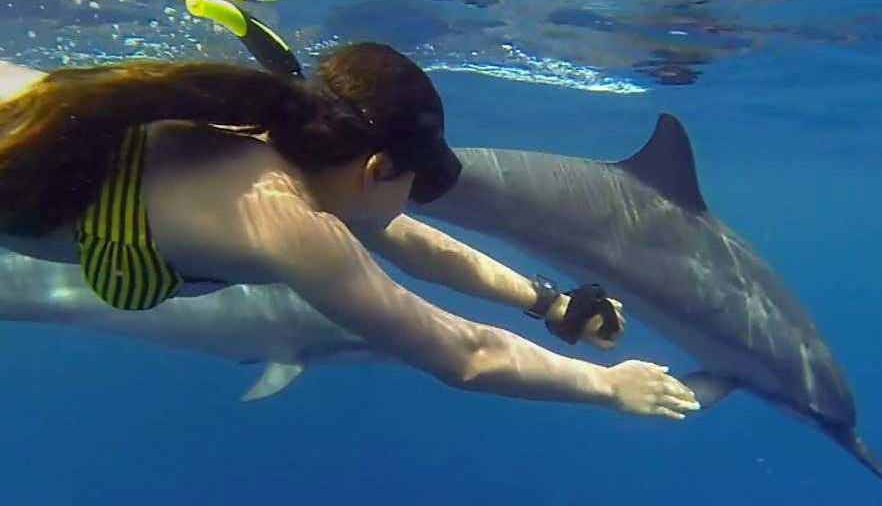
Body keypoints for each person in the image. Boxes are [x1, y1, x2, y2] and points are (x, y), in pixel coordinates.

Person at [0, 40, 699, 419]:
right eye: (415, 185)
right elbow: (468, 355)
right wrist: (607, 387)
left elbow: (408, 241)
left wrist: (548, 302)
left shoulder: (281, 132)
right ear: (377, 167)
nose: (414, 204)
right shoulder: (288, 226)